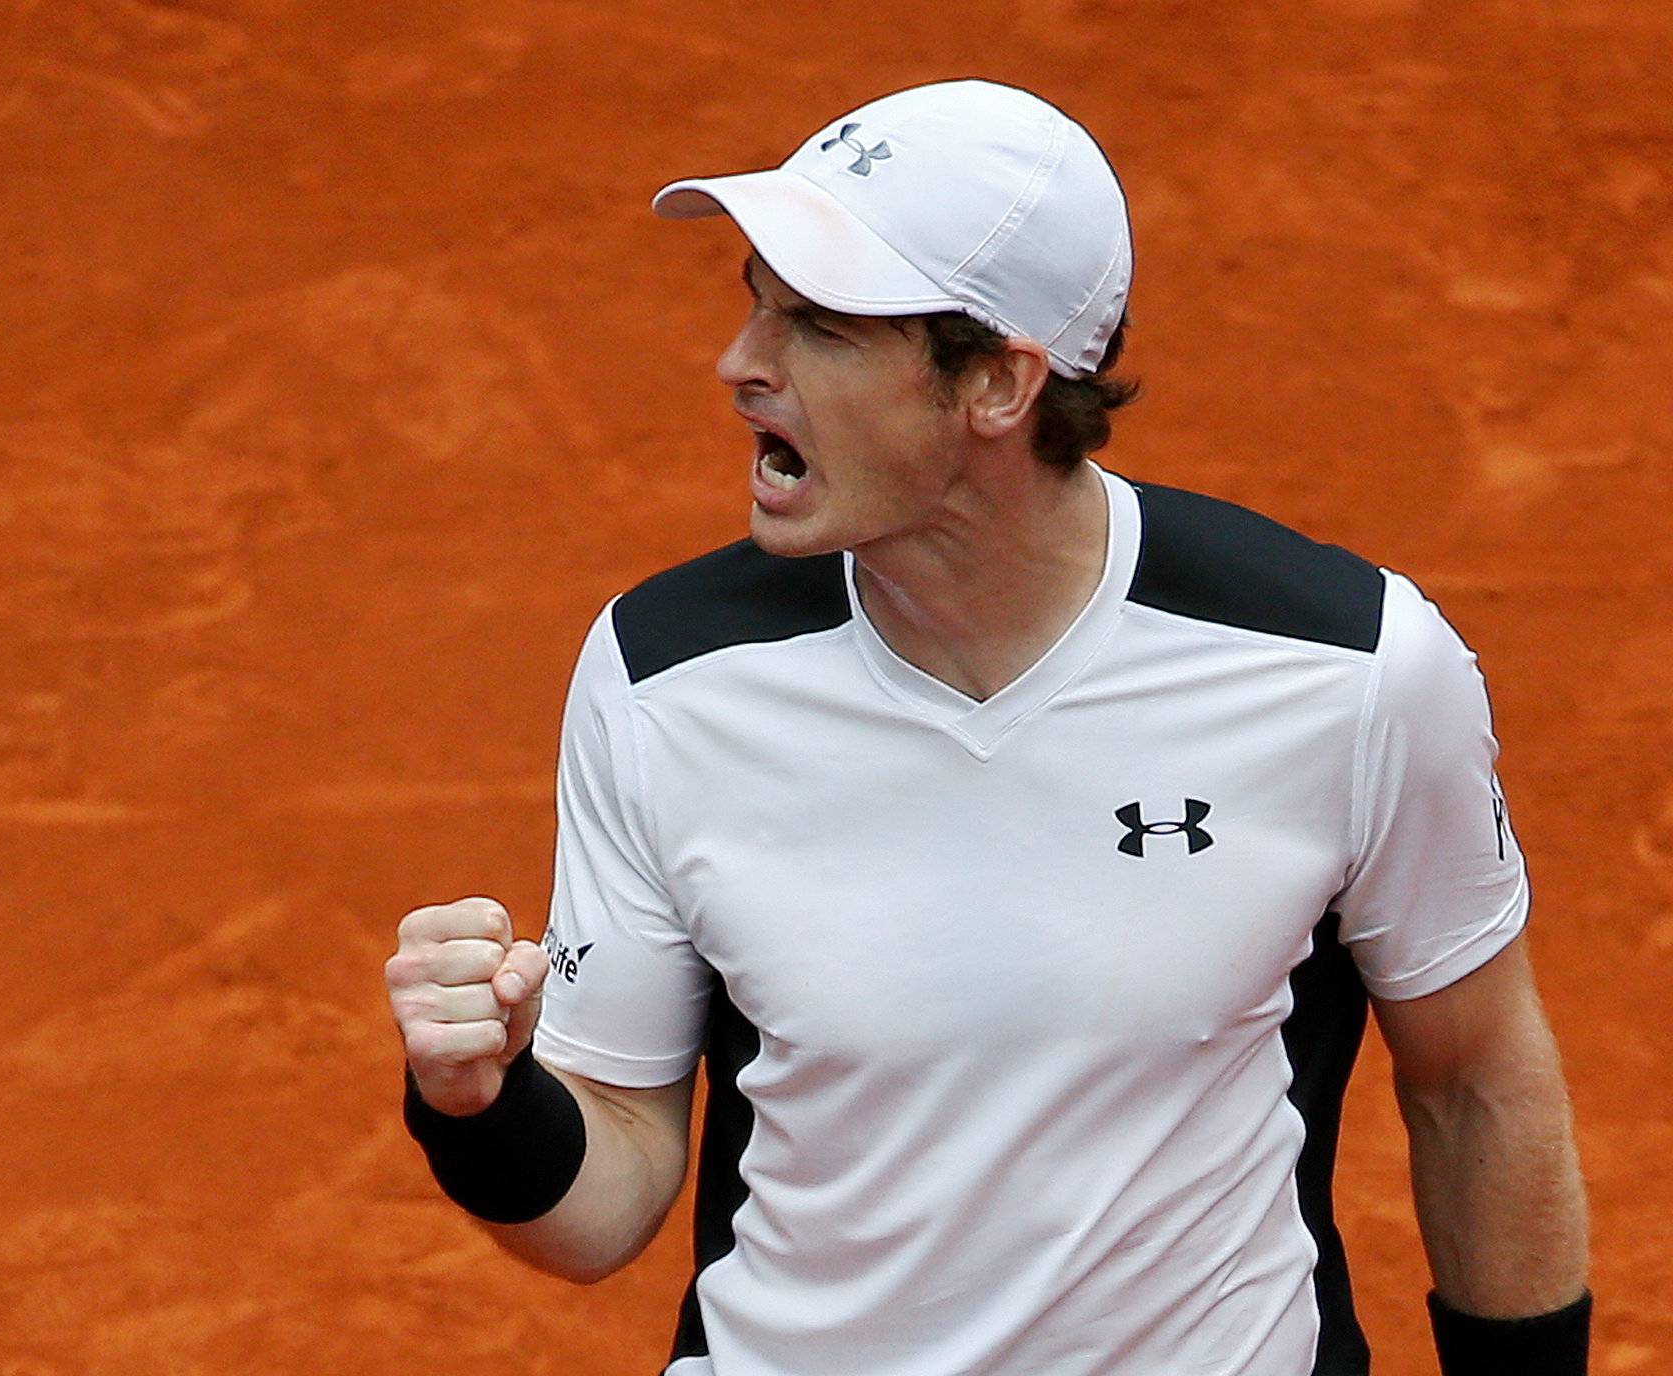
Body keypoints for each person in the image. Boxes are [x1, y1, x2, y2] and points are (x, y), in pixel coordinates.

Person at [385, 80, 1590, 1376]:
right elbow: (609, 1188)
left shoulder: (1343, 671)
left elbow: (1475, 1086)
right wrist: (482, 1105)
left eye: (821, 329)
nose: (740, 365)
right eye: (755, 303)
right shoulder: (667, 675)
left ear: (1000, 384)